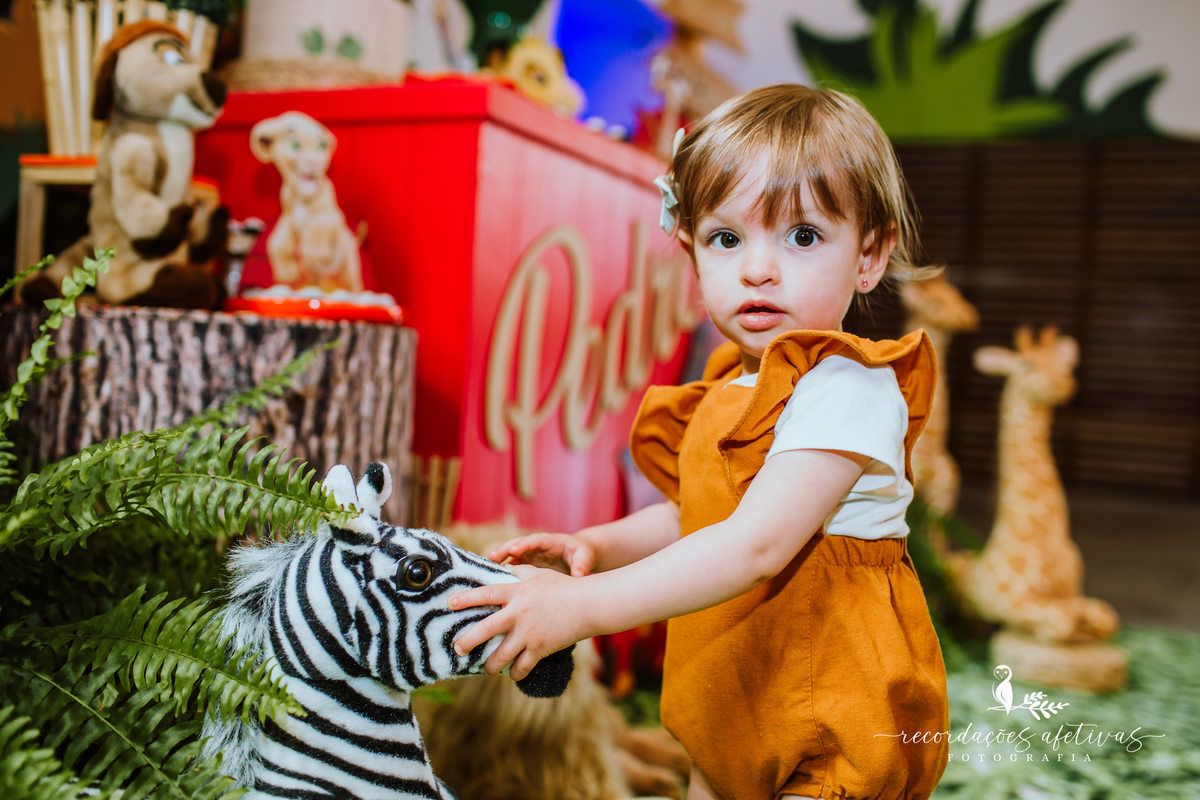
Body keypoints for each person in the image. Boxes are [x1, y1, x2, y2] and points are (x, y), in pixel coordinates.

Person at [450, 84, 950, 800]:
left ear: (868, 256)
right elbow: (702, 513)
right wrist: (603, 545)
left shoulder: (847, 389)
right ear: (692, 253)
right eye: (726, 238)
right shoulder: (725, 387)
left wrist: (582, 610)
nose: (757, 268)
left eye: (802, 237)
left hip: (830, 705)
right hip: (733, 685)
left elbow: (755, 543)